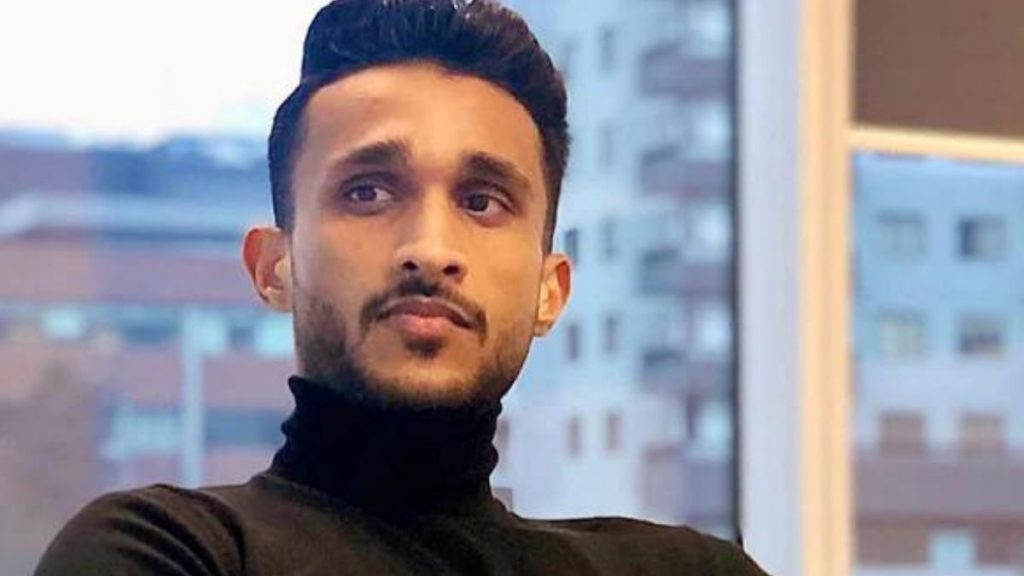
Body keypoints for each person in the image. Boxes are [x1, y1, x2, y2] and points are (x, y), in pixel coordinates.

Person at [35, 1, 769, 574]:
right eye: (368, 192)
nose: (431, 249)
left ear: (552, 291)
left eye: (482, 201)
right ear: (273, 266)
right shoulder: (171, 552)